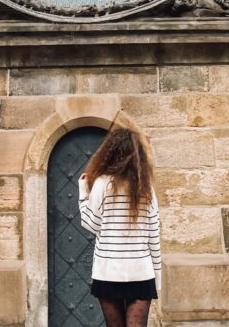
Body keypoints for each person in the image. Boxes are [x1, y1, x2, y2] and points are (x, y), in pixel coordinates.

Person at [79, 127, 162, 327]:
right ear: (137, 156)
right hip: (141, 272)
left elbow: (92, 224)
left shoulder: (101, 184)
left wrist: (83, 194)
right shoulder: (146, 188)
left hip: (108, 271)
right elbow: (154, 235)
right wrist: (157, 278)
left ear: (110, 153)